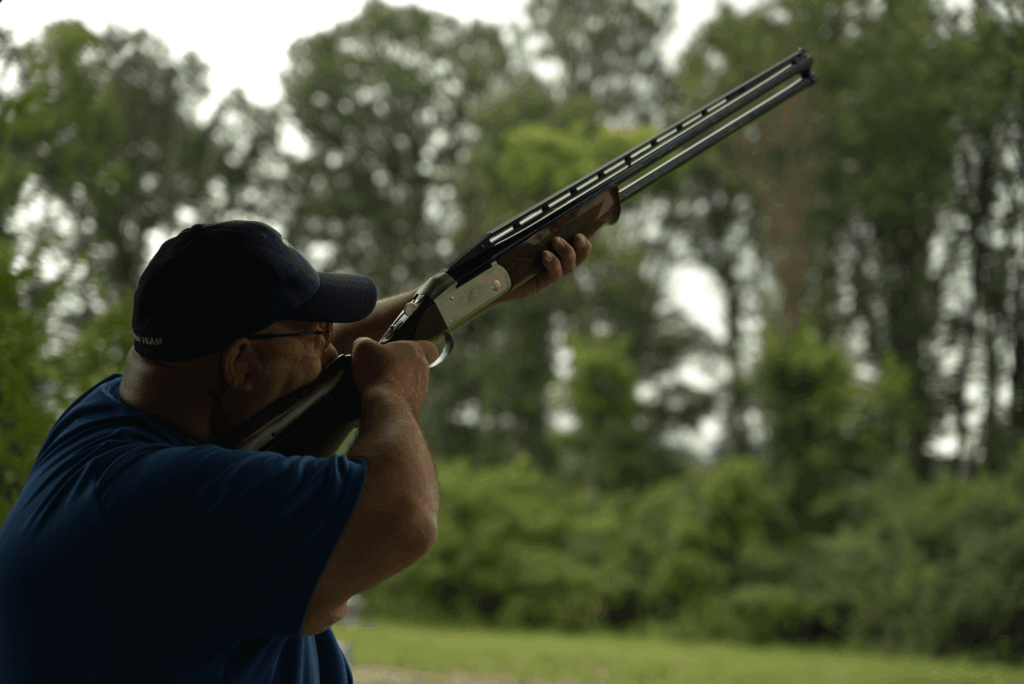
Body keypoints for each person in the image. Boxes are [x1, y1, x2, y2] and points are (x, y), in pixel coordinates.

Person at [0, 220, 591, 683]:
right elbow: (404, 518)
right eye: (313, 335)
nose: (331, 349)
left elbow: (313, 356)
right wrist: (391, 395)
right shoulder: (170, 498)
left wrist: (473, 292)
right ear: (240, 363)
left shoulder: (113, 410)